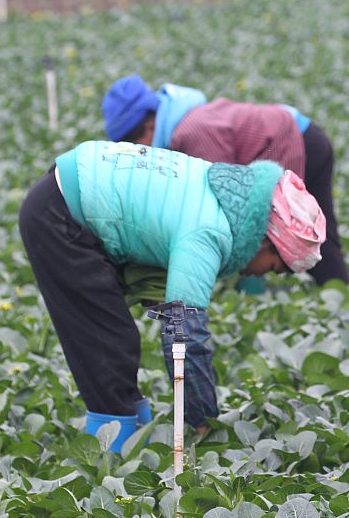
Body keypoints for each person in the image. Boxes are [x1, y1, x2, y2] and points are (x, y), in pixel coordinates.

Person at [18, 141, 326, 452]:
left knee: (116, 337)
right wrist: (204, 421)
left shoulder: (227, 195)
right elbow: (184, 337)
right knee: (105, 342)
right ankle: (110, 452)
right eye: (273, 268)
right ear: (266, 241)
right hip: (59, 215)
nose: (262, 275)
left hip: (73, 190)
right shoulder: (211, 231)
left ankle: (136, 436)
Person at [100, 75, 349, 285]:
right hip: (303, 134)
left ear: (150, 126)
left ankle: (332, 302)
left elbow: (227, 210)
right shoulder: (184, 123)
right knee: (310, 236)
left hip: (300, 141)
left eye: (132, 144)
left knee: (293, 233)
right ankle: (340, 298)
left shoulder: (192, 132)